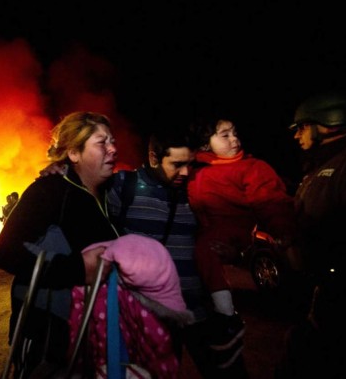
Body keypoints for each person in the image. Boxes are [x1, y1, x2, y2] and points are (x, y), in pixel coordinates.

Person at [106, 127, 250, 378]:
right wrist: (57, 171)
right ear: (153, 158)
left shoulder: (198, 189)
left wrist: (233, 251)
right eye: (177, 164)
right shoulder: (123, 187)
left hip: (199, 313)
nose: (186, 172)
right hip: (147, 318)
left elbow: (228, 228)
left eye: (190, 164)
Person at [0, 111, 119, 378]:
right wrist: (75, 269)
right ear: (74, 153)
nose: (113, 149)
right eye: (102, 142)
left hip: (96, 336)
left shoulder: (114, 194)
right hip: (48, 339)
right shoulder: (48, 191)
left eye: (113, 141)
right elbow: (5, 252)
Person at [187, 116, 296, 354]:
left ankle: (227, 315)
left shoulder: (252, 167)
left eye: (234, 133)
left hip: (236, 229)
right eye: (225, 135)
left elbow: (271, 201)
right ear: (206, 144)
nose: (234, 139)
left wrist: (282, 229)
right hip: (207, 228)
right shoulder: (195, 169)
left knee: (205, 250)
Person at [276, 91, 346, 378]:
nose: (297, 136)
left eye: (301, 127)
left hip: (342, 298)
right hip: (321, 294)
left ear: (326, 123)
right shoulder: (325, 164)